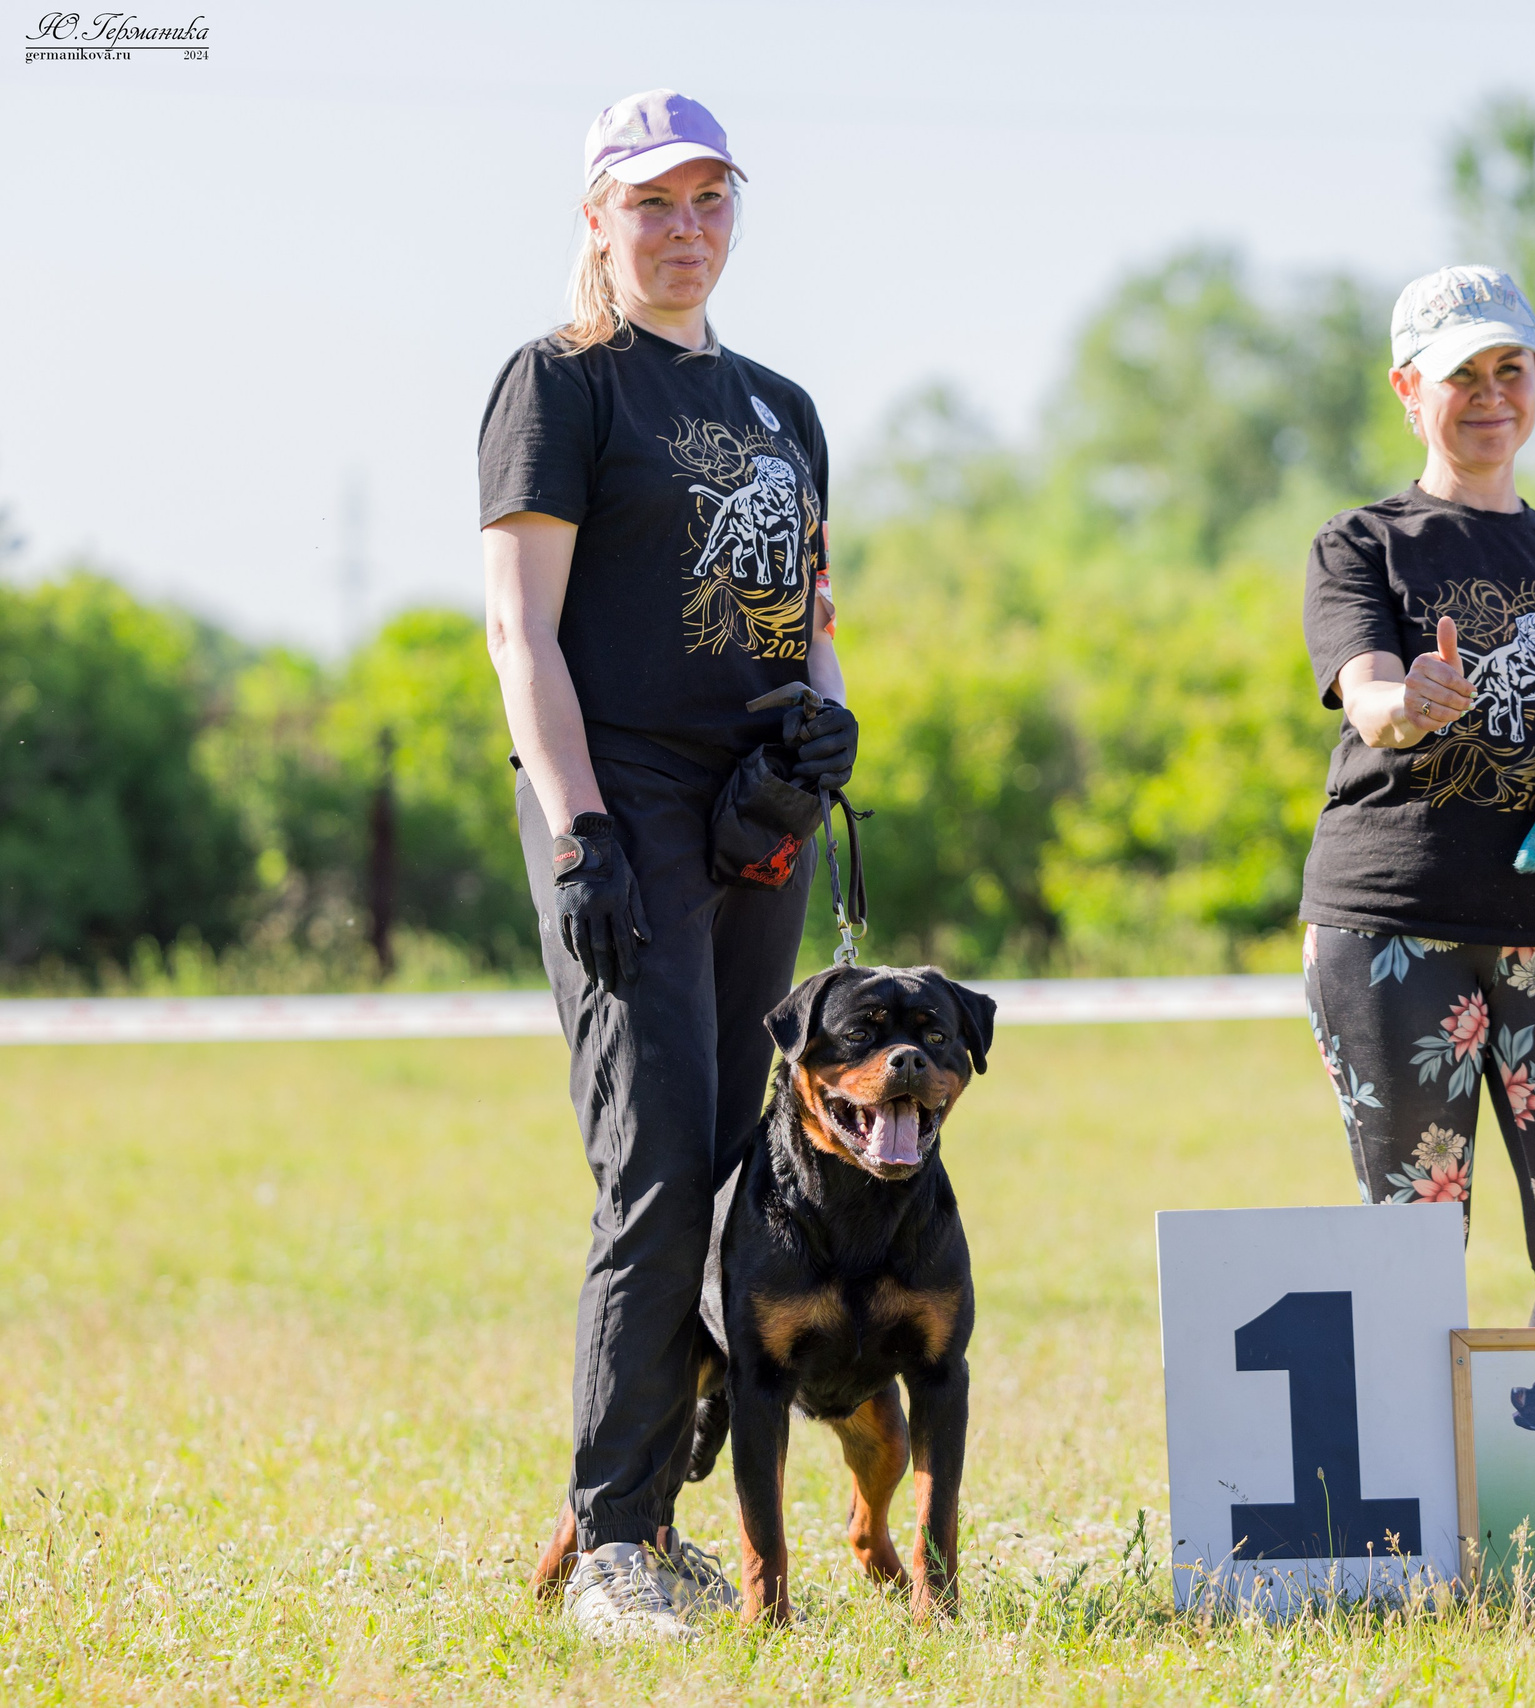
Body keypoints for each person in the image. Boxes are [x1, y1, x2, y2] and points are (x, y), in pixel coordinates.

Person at [478, 88, 856, 1641]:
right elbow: (520, 626)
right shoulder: (562, 385)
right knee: (647, 1168)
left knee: (723, 1179)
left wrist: (827, 743)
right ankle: (620, 1540)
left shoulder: (784, 406)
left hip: (749, 821)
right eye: (652, 204)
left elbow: (813, 626)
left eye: (708, 201)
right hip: (618, 806)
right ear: (597, 222)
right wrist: (577, 833)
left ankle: (631, 1514)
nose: (684, 229)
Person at [1300, 266, 1535, 1326]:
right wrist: (1412, 700)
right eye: (1463, 374)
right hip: (1394, 927)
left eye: (1512, 369)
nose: (1491, 394)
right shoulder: (1362, 544)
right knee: (1412, 1248)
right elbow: (1368, 702)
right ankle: (1420, 1492)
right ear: (1410, 390)